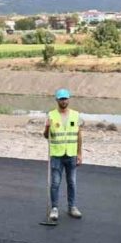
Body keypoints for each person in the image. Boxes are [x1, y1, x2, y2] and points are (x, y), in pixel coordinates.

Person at [42, 88, 83, 221]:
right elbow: (46, 136)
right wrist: (47, 127)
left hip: (71, 154)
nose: (64, 101)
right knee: (55, 182)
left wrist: (79, 153)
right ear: (57, 100)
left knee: (72, 182)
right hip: (57, 155)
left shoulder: (76, 115)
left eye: (65, 98)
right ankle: (54, 208)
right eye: (61, 99)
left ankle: (72, 207)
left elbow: (79, 135)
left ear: (69, 99)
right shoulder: (51, 115)